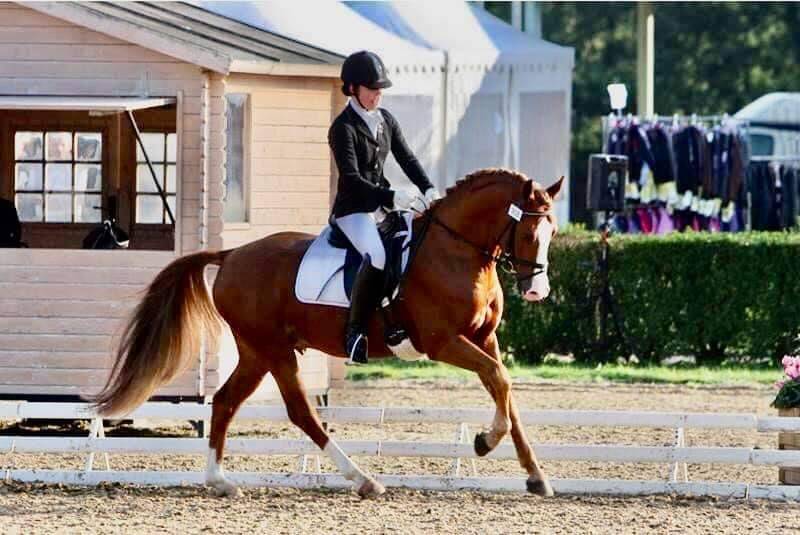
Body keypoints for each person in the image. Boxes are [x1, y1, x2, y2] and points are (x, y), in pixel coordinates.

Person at [329, 50, 440, 364]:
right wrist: (389, 197)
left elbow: (407, 158)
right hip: (353, 211)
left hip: (381, 208)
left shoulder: (385, 120)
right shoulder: (343, 128)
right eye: (372, 88)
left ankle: (397, 320)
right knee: (376, 256)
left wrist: (428, 188)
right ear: (352, 88)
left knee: (410, 243)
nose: (378, 94)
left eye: (380, 89)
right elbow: (350, 179)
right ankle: (355, 334)